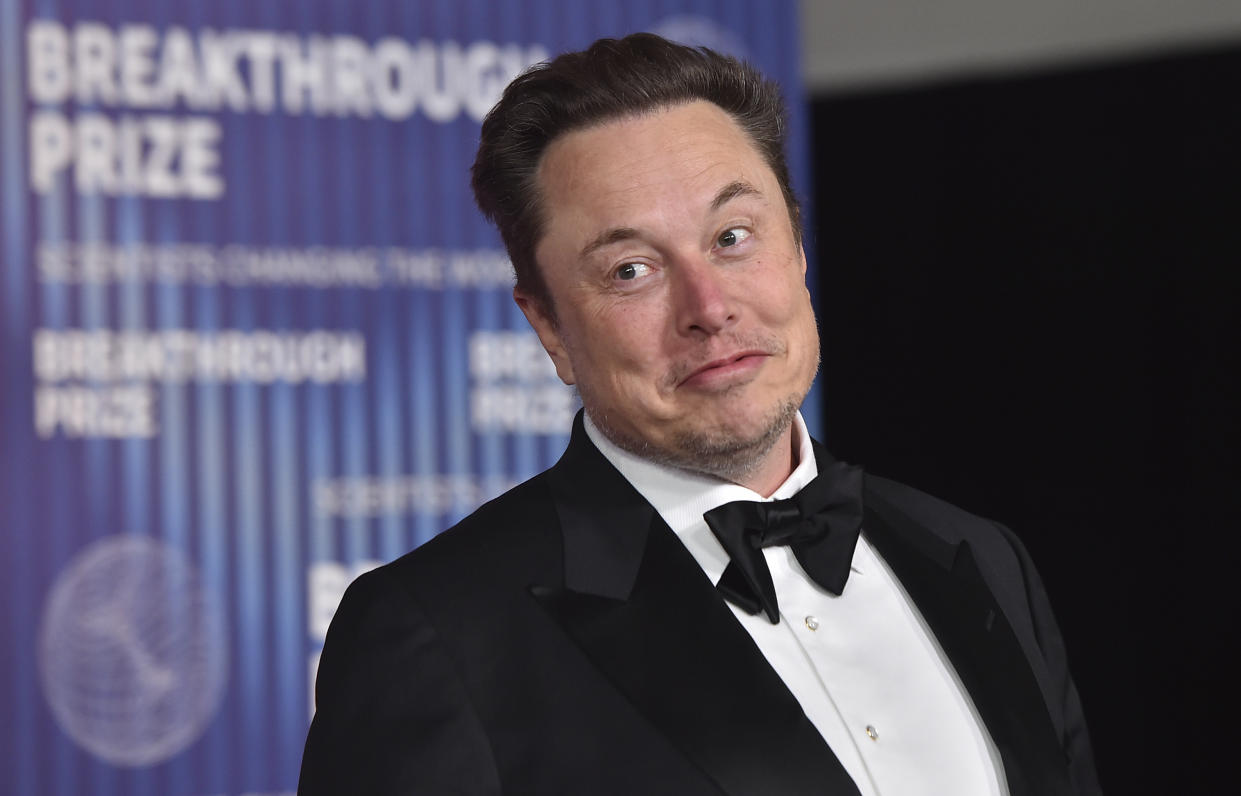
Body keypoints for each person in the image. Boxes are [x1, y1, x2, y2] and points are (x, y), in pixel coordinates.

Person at [298, 33, 1100, 796]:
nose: (708, 308)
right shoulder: (437, 632)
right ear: (548, 327)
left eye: (733, 235)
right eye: (632, 269)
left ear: (797, 253)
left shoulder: (981, 558)